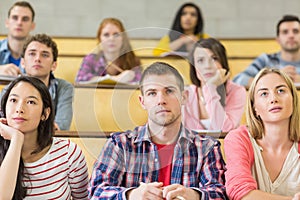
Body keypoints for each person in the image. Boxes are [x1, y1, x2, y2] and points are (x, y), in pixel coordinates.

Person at [88, 62, 227, 199]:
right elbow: (95, 192)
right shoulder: (119, 144)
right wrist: (131, 195)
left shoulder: (207, 147)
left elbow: (220, 193)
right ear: (143, 102)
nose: (161, 100)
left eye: (169, 91)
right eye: (152, 93)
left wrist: (194, 195)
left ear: (184, 97)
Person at [0, 76, 88, 199]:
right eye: (13, 100)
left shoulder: (68, 153)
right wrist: (16, 139)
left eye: (31, 102)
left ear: (45, 114)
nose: (19, 109)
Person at [224, 68, 300, 199]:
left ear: (293, 100)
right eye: (264, 94)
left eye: (281, 90)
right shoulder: (239, 139)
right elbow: (240, 193)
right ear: (255, 108)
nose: (273, 99)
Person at [1, 33, 74, 130]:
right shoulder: (11, 88)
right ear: (22, 62)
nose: (37, 59)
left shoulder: (64, 87)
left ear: (54, 65)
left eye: (44, 55)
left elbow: (62, 127)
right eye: (32, 54)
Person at [183, 38, 246, 132]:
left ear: (223, 63)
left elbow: (225, 129)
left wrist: (210, 88)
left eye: (214, 59)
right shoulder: (186, 94)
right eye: (200, 60)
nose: (208, 66)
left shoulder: (237, 91)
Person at [233, 15, 300, 88]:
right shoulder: (266, 60)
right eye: (285, 32)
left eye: (295, 31)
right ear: (278, 39)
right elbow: (238, 79)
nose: (291, 35)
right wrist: (275, 78)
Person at [75, 18, 142, 84]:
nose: (111, 39)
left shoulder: (133, 60)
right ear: (99, 38)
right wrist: (117, 79)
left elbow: (141, 84)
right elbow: (79, 80)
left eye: (116, 34)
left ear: (123, 38)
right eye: (106, 35)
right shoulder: (90, 59)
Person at [0, 1, 35, 76]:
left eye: (25, 19)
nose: (19, 23)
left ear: (32, 26)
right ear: (7, 22)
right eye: (15, 18)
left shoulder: (39, 54)